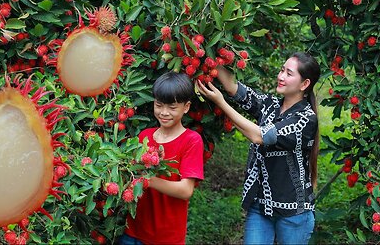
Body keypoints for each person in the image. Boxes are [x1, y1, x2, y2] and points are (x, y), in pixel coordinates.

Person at [195, 52, 320, 244]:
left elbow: (260, 135)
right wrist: (206, 53)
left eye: (289, 73)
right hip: (261, 206)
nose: (281, 76)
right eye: (281, 70)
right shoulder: (269, 105)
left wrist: (220, 102)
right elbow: (234, 89)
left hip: (293, 212)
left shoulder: (305, 119)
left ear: (304, 84)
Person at [119, 71, 204, 245]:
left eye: (172, 108)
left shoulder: (191, 140)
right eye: (159, 105)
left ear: (186, 107)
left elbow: (186, 190)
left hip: (166, 238)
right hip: (132, 231)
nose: (164, 112)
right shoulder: (144, 136)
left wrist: (148, 181)